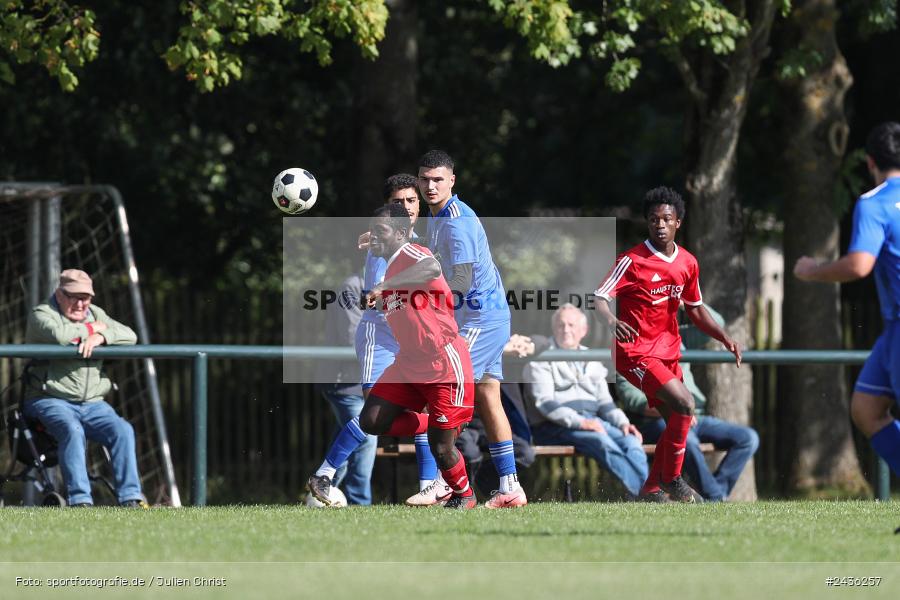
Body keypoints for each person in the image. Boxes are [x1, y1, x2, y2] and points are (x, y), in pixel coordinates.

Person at [308, 204, 478, 509]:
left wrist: (383, 287)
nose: (374, 236)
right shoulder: (391, 267)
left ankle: (465, 494)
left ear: (401, 233)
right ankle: (435, 424)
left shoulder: (408, 254)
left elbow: (432, 267)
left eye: (381, 231)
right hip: (409, 364)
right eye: (372, 230)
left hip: (442, 362)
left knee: (442, 449)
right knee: (372, 419)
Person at [593, 186, 742, 503]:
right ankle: (673, 480)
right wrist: (611, 321)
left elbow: (696, 310)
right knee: (686, 404)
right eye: (653, 219)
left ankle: (651, 488)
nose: (660, 225)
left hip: (667, 352)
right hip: (634, 353)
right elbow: (599, 297)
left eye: (666, 219)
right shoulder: (632, 260)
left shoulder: (687, 263)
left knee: (678, 418)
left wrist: (724, 337)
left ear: (678, 222)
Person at [417, 149, 527, 508]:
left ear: (452, 180)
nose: (431, 186)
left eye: (438, 179)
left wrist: (422, 302)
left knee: (445, 389)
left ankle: (442, 480)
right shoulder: (438, 217)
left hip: (480, 319)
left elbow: (461, 281)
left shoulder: (455, 221)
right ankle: (510, 485)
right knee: (488, 395)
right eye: (425, 179)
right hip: (485, 318)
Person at [794, 121, 900, 478]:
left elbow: (859, 265)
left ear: (870, 162)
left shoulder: (874, 203)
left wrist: (813, 270)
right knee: (867, 409)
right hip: (893, 330)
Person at [23, 269, 147, 508]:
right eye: (74, 297)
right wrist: (91, 330)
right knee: (72, 429)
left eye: (86, 298)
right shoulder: (42, 314)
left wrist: (103, 337)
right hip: (48, 398)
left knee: (123, 430)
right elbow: (61, 336)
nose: (81, 304)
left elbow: (130, 335)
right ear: (60, 294)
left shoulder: (96, 313)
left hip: (93, 403)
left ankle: (131, 498)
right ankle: (80, 501)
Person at [615, 307, 759, 501]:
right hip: (660, 419)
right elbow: (632, 399)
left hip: (696, 416)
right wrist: (679, 411)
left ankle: (716, 494)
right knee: (687, 440)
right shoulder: (629, 347)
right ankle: (715, 497)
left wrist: (686, 301)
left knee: (748, 438)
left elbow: (717, 322)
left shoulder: (679, 337)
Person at [523, 304, 648, 498]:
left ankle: (649, 491)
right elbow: (545, 403)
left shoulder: (592, 358)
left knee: (631, 441)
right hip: (552, 426)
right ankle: (646, 495)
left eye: (571, 325)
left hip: (592, 421)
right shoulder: (540, 359)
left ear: (584, 330)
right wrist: (581, 423)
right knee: (601, 441)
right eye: (561, 325)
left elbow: (605, 403)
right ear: (554, 328)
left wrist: (623, 423)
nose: (565, 330)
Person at [314, 270, 376, 505]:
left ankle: (321, 490)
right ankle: (360, 502)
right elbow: (352, 339)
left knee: (346, 440)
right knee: (365, 434)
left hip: (363, 382)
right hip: (345, 383)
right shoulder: (352, 287)